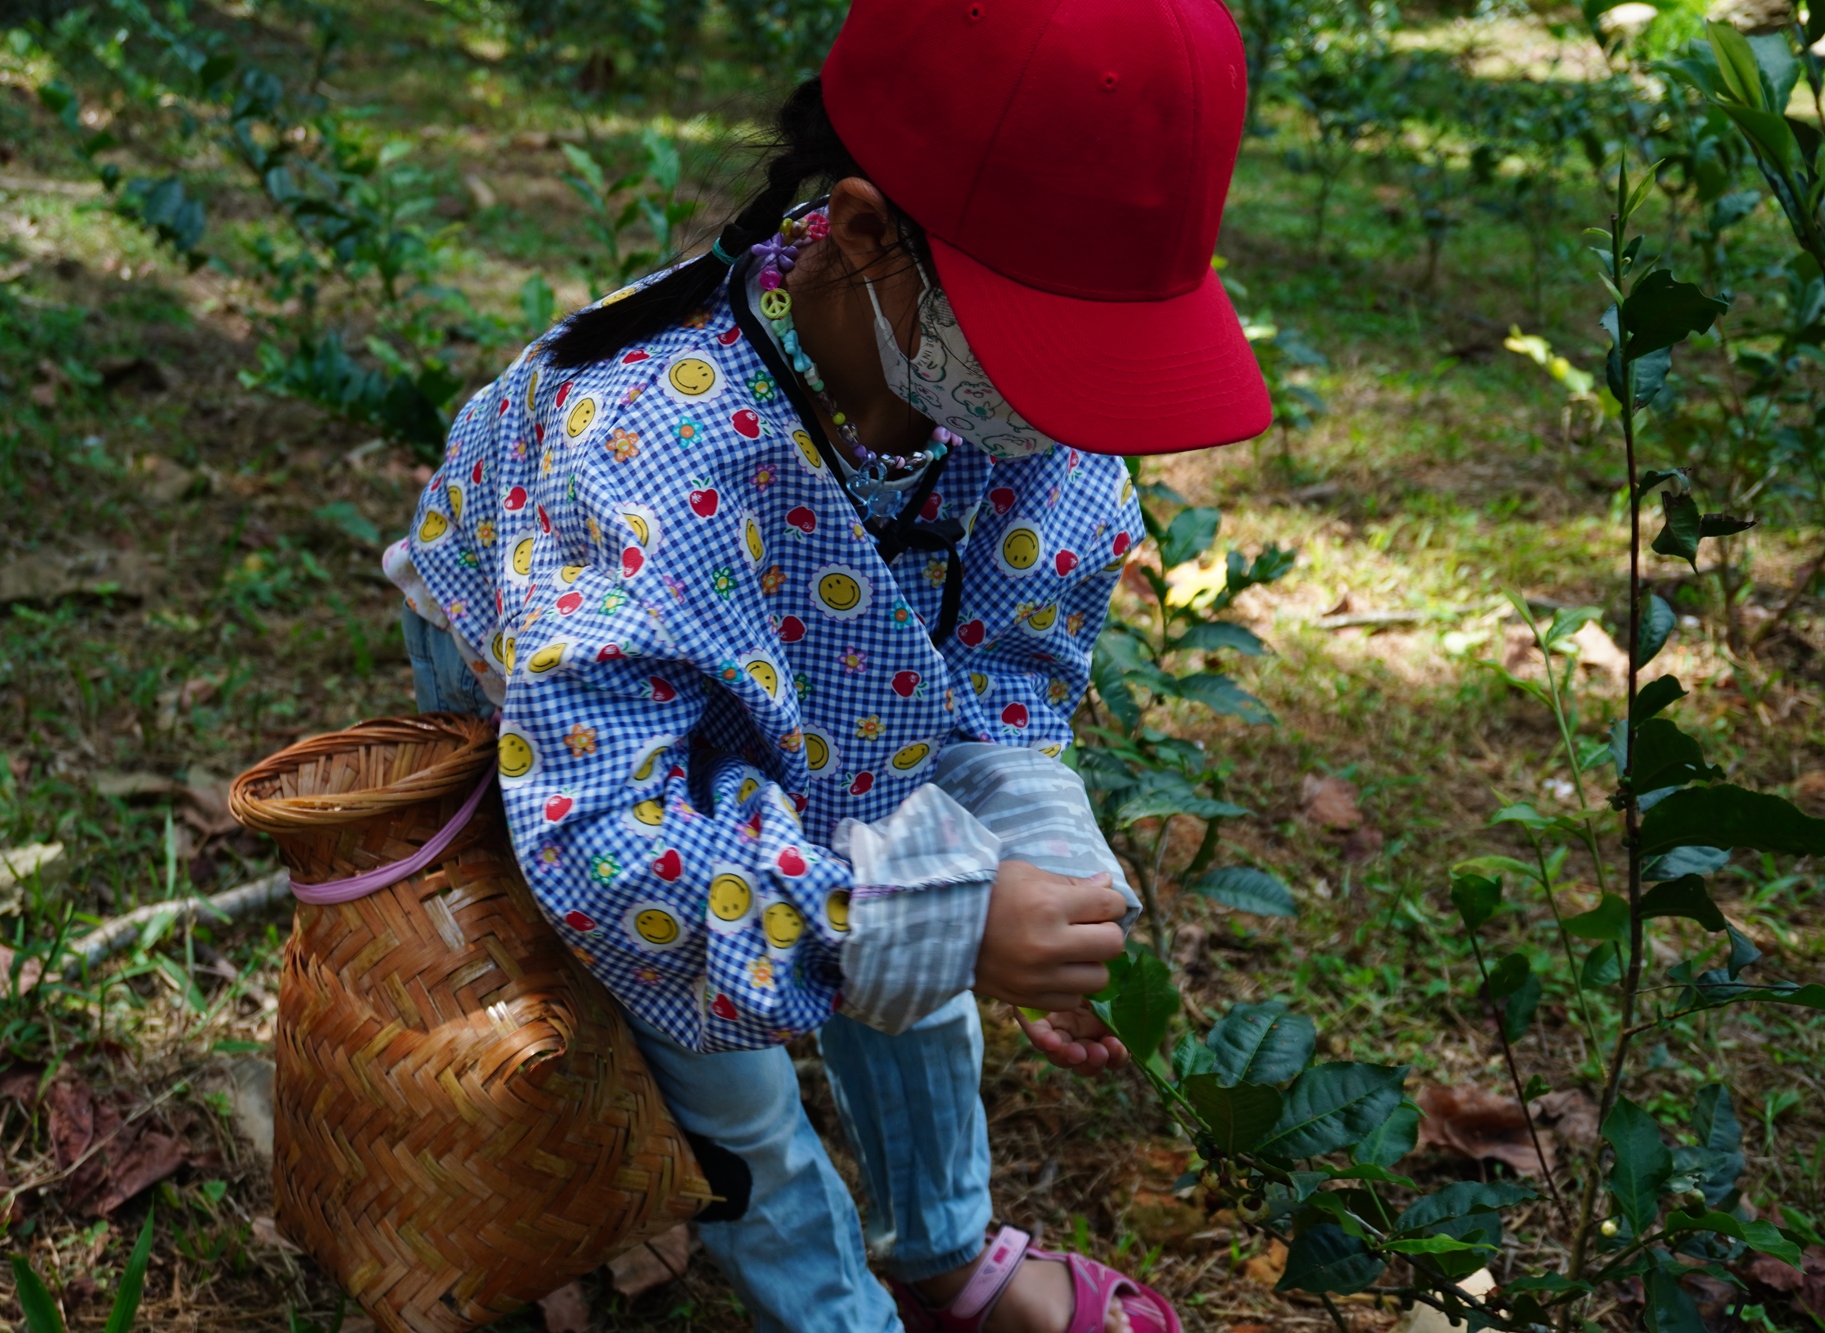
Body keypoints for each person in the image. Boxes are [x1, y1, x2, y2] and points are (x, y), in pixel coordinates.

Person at [383, 0, 1270, 1326]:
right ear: (863, 234)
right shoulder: (645, 446)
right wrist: (930, 919)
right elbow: (617, 832)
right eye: (1049, 351)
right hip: (603, 702)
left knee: (918, 917)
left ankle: (946, 1253)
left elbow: (995, 685)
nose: (1077, 414)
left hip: (840, 680)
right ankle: (830, 1303)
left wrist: (1041, 857)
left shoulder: (1026, 427)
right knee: (725, 1068)